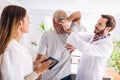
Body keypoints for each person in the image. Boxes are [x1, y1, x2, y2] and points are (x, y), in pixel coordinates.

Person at [0, 5, 51, 80]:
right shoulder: (12, 51)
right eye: (27, 19)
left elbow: (17, 67)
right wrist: (38, 72)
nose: (30, 22)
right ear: (20, 23)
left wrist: (34, 64)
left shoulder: (15, 46)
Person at [61, 13, 116, 80]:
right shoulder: (93, 36)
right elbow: (78, 37)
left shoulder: (107, 45)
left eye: (100, 24)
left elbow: (86, 49)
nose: (96, 25)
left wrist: (68, 29)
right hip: (81, 75)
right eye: (97, 23)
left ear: (107, 29)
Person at [37, 10, 86, 80]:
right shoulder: (72, 33)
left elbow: (39, 60)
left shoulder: (46, 35)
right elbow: (78, 14)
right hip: (65, 76)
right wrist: (68, 20)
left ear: (53, 21)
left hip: (49, 77)